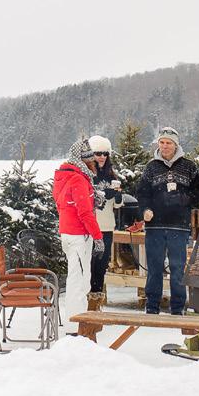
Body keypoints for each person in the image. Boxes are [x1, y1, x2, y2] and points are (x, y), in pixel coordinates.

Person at [135, 127, 199, 316]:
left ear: (176, 145)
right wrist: (145, 210)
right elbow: (142, 193)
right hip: (155, 227)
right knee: (154, 268)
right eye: (162, 142)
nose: (165, 146)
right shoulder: (151, 167)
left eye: (169, 143)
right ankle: (152, 307)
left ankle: (178, 308)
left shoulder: (189, 167)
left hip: (178, 226)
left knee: (177, 269)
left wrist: (183, 199)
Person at [52, 138, 105, 329]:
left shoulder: (65, 176)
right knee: (79, 281)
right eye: (90, 159)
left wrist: (93, 199)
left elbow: (64, 204)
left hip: (69, 233)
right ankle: (75, 326)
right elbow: (84, 213)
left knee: (78, 278)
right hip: (78, 236)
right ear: (82, 160)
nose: (94, 162)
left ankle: (77, 322)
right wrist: (98, 237)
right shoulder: (78, 179)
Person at [87, 135, 122, 310]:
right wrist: (103, 194)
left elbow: (117, 205)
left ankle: (96, 303)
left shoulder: (111, 175)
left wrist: (118, 195)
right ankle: (86, 303)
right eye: (98, 153)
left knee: (101, 266)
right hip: (89, 227)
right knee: (89, 264)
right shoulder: (87, 175)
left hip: (107, 226)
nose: (101, 157)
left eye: (105, 154)